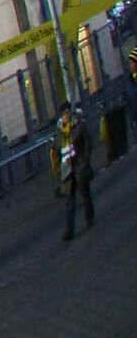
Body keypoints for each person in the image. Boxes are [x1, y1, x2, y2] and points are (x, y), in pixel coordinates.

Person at [63, 103, 98, 241]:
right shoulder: (62, 129)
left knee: (85, 195)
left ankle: (90, 217)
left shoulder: (80, 125)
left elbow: (89, 144)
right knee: (70, 200)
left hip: (80, 166)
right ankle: (69, 230)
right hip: (69, 169)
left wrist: (85, 161)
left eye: (66, 112)